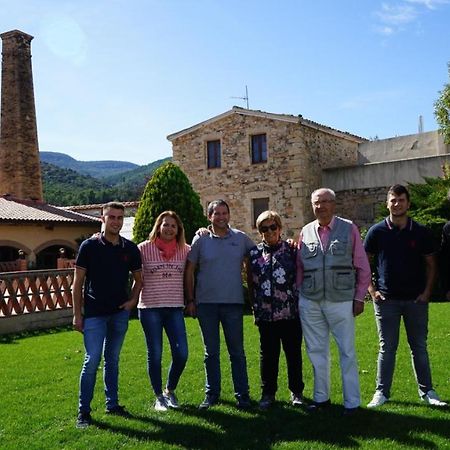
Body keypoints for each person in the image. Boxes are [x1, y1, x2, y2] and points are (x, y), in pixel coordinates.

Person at [364, 184, 447, 408]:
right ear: (387, 203)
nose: (397, 204)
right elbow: (363, 264)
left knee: (419, 346)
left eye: (401, 200)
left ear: (408, 203)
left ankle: (428, 391)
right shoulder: (376, 232)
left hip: (415, 301)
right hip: (386, 301)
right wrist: (372, 291)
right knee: (386, 348)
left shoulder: (420, 232)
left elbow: (431, 265)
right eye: (393, 200)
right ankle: (381, 392)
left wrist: (427, 293)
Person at [297, 188, 371, 415]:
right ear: (312, 205)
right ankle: (321, 398)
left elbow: (363, 267)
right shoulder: (306, 231)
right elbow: (300, 268)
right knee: (316, 351)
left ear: (334, 204)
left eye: (326, 202)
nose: (321, 206)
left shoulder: (349, 229)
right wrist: (300, 295)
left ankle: (352, 403)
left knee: (347, 351)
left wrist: (359, 297)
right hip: (311, 301)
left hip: (341, 300)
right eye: (317, 203)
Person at [72, 202, 142, 428]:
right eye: (111, 217)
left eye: (120, 218)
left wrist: (132, 301)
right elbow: (78, 283)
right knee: (92, 360)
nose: (116, 222)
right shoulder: (89, 246)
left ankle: (112, 404)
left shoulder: (130, 249)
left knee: (112, 359)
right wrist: (77, 315)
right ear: (102, 219)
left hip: (119, 314)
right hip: (94, 314)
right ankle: (84, 411)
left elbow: (139, 280)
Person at [184, 199, 255, 410]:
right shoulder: (200, 239)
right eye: (217, 214)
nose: (222, 217)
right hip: (206, 304)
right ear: (210, 217)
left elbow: (259, 256)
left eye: (225, 213)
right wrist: (190, 300)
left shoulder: (241, 238)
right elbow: (189, 270)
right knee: (211, 352)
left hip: (233, 303)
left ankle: (242, 395)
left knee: (237, 352)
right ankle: (212, 394)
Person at [248, 210, 304, 410]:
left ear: (279, 228)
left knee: (293, 354)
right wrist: (255, 309)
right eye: (264, 228)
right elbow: (251, 283)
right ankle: (268, 394)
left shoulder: (291, 250)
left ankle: (296, 392)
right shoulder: (254, 254)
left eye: (273, 227)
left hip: (290, 313)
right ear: (259, 231)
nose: (269, 231)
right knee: (268, 356)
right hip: (266, 315)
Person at [137, 211, 190, 411]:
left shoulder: (185, 250)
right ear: (158, 226)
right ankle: (159, 396)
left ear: (178, 230)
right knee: (155, 354)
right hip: (150, 309)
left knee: (182, 353)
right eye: (165, 225)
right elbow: (123, 258)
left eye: (173, 226)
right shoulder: (143, 248)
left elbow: (201, 254)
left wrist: (204, 231)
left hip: (175, 308)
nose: (169, 229)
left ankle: (170, 389)